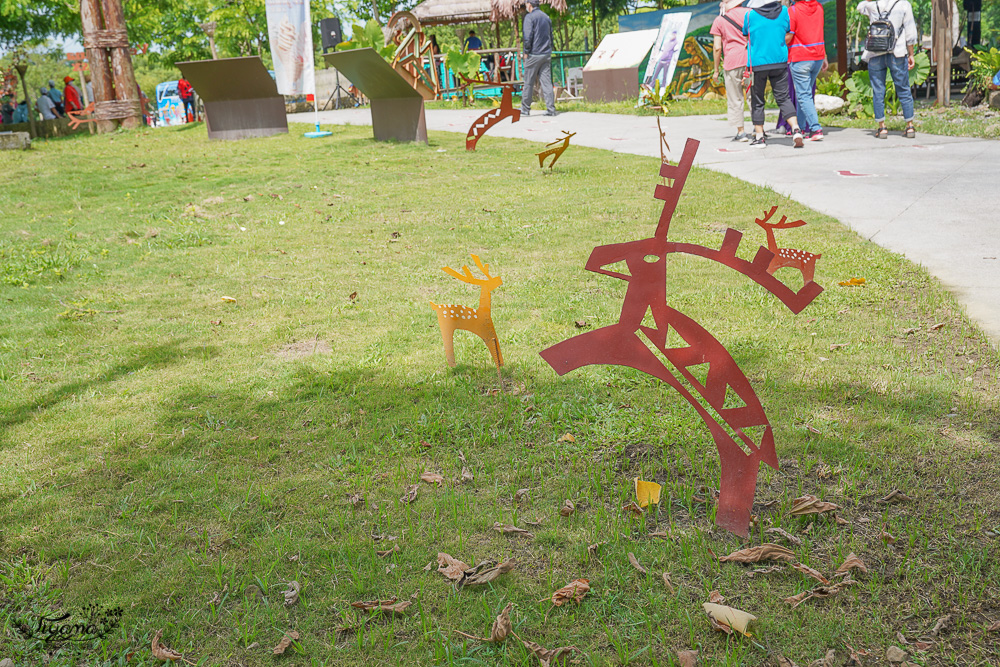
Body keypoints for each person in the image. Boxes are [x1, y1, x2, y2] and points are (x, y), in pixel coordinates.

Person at [743, 0, 804, 148]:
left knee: (757, 100)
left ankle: (759, 137)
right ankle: (796, 129)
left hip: (758, 63)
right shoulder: (784, 11)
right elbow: (787, 30)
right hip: (779, 60)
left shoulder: (750, 15)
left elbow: (746, 35)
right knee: (784, 97)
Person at [857, 0, 917, 138]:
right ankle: (910, 126)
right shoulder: (903, 4)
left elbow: (859, 6)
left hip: (875, 53)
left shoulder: (873, 5)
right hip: (897, 52)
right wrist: (911, 53)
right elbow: (910, 32)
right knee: (903, 89)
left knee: (878, 91)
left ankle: (882, 127)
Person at [787, 0, 828, 140]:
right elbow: (820, 32)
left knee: (804, 95)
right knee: (804, 95)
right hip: (818, 56)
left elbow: (789, 36)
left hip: (800, 57)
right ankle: (801, 128)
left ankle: (816, 129)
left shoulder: (793, 10)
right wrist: (825, 56)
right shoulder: (819, 7)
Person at [711, 1, 751, 141]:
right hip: (750, 61)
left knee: (735, 98)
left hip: (732, 62)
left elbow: (717, 48)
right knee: (754, 97)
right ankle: (760, 130)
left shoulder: (719, 20)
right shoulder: (750, 13)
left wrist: (716, 70)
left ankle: (741, 132)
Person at [521, 0, 557, 116]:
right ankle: (551, 109)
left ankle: (525, 109)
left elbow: (528, 36)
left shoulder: (529, 17)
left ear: (529, 5)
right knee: (546, 83)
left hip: (534, 54)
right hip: (546, 54)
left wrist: (526, 51)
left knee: (528, 82)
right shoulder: (546, 17)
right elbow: (550, 35)